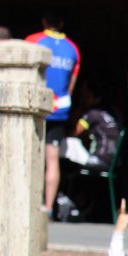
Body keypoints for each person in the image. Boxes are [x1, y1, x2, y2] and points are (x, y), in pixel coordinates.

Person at [25, 12, 80, 216]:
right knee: (52, 159)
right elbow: (71, 85)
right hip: (60, 107)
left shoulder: (33, 41)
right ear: (62, 22)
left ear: (44, 22)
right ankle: (48, 208)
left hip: (37, 106)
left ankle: (31, 202)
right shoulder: (73, 48)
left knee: (31, 156)